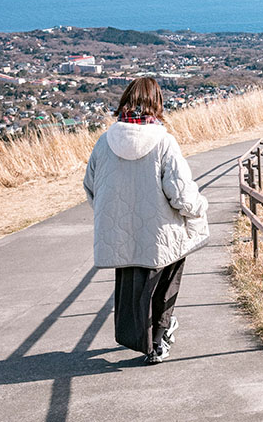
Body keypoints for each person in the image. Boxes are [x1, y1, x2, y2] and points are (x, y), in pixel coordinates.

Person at [84, 77, 210, 365]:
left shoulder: (104, 141)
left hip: (122, 234)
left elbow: (91, 186)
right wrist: (199, 208)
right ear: (157, 104)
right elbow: (181, 194)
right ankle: (159, 339)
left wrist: (115, 216)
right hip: (161, 232)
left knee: (133, 288)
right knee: (166, 282)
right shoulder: (164, 142)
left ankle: (143, 336)